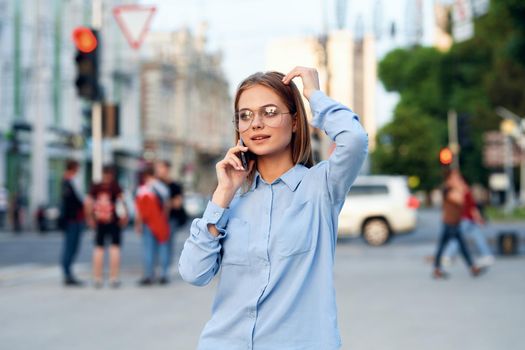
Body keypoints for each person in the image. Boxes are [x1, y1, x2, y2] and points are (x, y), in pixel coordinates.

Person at [178, 67, 368, 349]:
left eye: (269, 112)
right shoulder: (232, 202)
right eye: (245, 115)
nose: (256, 124)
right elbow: (194, 272)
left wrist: (313, 94)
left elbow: (354, 139)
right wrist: (222, 195)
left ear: (294, 121)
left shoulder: (320, 188)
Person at [433, 169, 485, 279]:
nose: (458, 180)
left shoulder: (453, 189)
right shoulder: (448, 190)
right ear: (450, 179)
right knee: (458, 246)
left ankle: (438, 269)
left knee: (449, 246)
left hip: (454, 222)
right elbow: (460, 200)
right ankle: (472, 268)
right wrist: (463, 188)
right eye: (455, 177)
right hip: (450, 223)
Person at [85, 165, 128, 288]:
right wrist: (124, 217)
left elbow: (89, 203)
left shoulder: (96, 186)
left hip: (100, 222)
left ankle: (97, 278)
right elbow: (122, 202)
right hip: (114, 221)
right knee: (114, 249)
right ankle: (113, 278)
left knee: (99, 249)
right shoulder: (115, 186)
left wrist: (90, 218)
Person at [442, 176, 495, 267]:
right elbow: (473, 208)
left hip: (464, 219)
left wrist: (479, 219)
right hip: (470, 220)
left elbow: (469, 208)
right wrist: (479, 219)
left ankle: (448, 256)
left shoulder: (462, 192)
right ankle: (487, 255)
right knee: (478, 237)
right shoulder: (468, 192)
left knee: (457, 238)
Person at [135, 164, 171, 285]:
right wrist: (163, 219)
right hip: (161, 222)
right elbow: (166, 206)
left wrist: (138, 224)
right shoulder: (162, 187)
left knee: (148, 250)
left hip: (148, 223)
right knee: (163, 248)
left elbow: (140, 210)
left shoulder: (143, 189)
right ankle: (163, 274)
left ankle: (149, 275)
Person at [155, 159, 187, 280]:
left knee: (166, 245)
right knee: (156, 247)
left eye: (161, 168)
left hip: (170, 220)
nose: (159, 171)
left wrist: (166, 204)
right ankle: (156, 272)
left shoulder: (174, 185)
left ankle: (164, 273)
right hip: (156, 219)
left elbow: (178, 203)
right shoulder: (154, 184)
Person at [59, 159, 85, 286]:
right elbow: (72, 202)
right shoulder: (67, 182)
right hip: (72, 220)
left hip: (76, 219)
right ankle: (67, 273)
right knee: (70, 247)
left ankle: (68, 272)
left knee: (73, 247)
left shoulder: (71, 182)